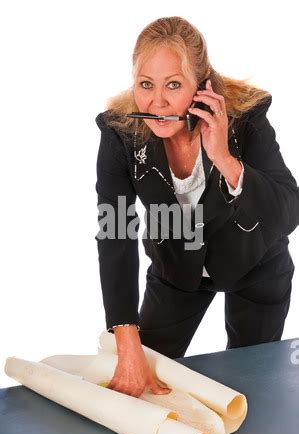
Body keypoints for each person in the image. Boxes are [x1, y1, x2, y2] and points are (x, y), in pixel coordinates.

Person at [94, 16, 299, 398]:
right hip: (177, 269)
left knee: (248, 395)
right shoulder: (120, 134)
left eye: (174, 84)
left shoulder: (245, 120)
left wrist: (223, 156)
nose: (157, 101)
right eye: (145, 84)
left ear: (201, 86)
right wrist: (126, 339)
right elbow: (115, 234)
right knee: (141, 385)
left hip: (256, 266)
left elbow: (288, 213)